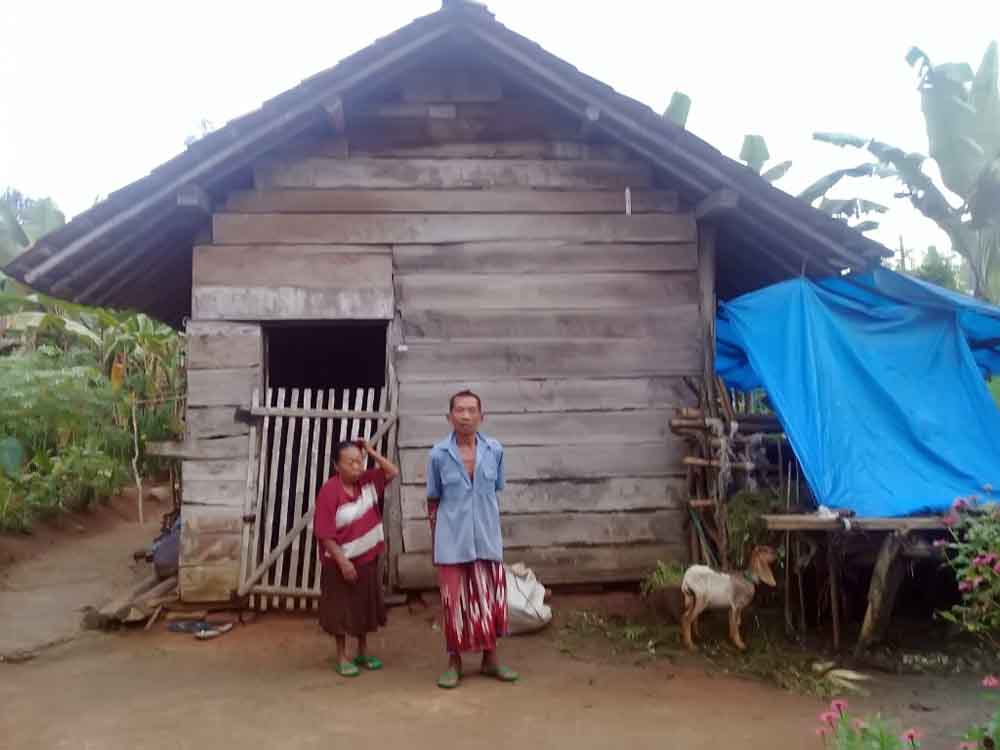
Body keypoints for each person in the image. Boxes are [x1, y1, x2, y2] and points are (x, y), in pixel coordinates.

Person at [426, 390, 519, 689]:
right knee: (454, 604)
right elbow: (433, 499)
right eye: (459, 410)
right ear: (449, 417)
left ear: (482, 416)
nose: (465, 416)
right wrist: (436, 541)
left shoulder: (495, 450)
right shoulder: (438, 455)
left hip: (487, 539)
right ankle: (454, 663)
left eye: (471, 410)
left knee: (489, 600)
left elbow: (496, 490)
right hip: (451, 541)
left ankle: (491, 660)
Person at [314, 438, 399, 677]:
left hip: (367, 559)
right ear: (336, 466)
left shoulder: (368, 482)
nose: (357, 467)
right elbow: (324, 533)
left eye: (360, 461)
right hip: (340, 562)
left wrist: (371, 451)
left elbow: (392, 471)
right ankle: (341, 656)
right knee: (340, 610)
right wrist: (343, 562)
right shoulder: (330, 491)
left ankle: (363, 651)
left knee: (365, 607)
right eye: (350, 462)